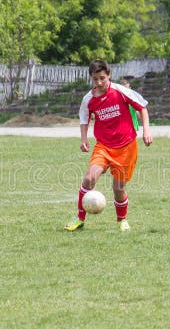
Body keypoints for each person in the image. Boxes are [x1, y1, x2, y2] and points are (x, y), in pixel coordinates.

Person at [64, 59, 152, 232]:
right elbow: (84, 119)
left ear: (109, 75)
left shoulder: (121, 91)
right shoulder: (88, 99)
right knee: (89, 179)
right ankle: (80, 218)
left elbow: (142, 108)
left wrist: (146, 131)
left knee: (118, 188)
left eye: (102, 78)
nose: (99, 83)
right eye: (95, 79)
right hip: (103, 146)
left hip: (126, 147)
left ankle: (122, 220)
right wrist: (83, 139)